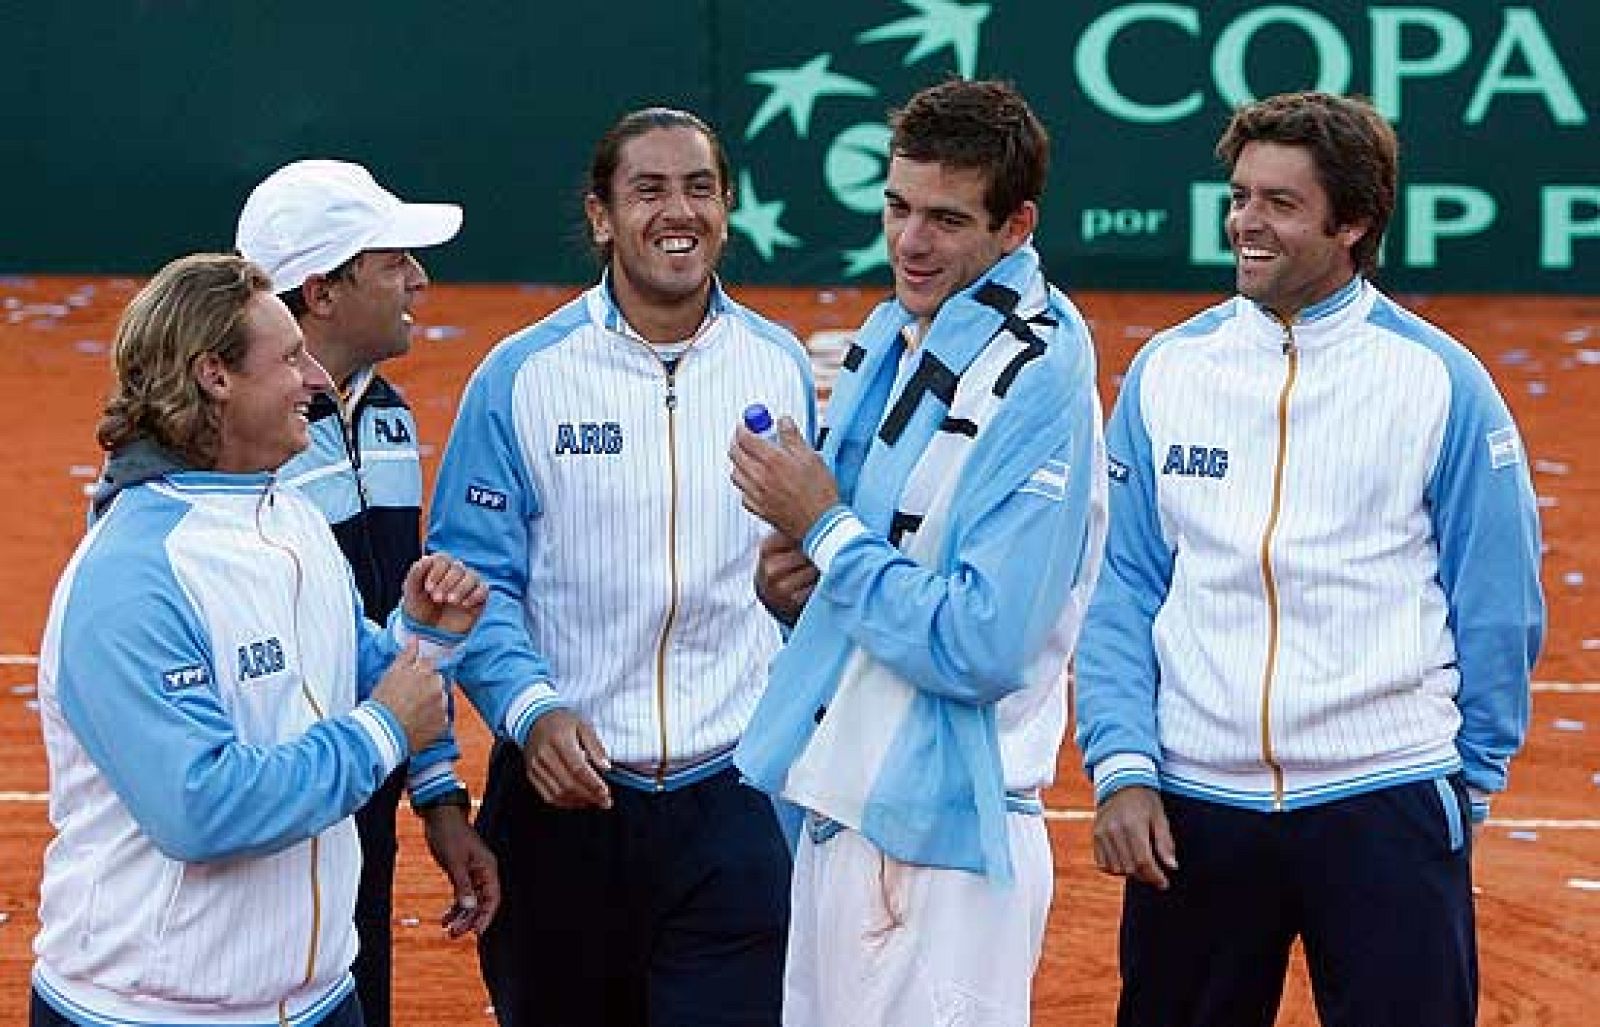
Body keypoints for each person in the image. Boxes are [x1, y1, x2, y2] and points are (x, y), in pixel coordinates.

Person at [1075, 91, 1545, 1027]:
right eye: (1241, 195)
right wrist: (1123, 762)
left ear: (1355, 221)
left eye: (1280, 203)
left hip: (1386, 801)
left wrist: (1467, 785)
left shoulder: (1441, 381)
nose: (1246, 222)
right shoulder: (1170, 371)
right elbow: (1124, 585)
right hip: (1193, 809)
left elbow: (1498, 601)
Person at [728, 78, 1107, 1026]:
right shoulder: (896, 330)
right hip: (843, 807)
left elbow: (984, 641)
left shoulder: (1042, 374)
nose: (910, 241)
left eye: (945, 217)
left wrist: (823, 529)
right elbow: (863, 571)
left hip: (943, 849)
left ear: (1016, 225)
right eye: (898, 207)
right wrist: (798, 586)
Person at [427, 107, 815, 1025]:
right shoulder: (520, 376)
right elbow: (469, 584)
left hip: (738, 801)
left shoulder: (781, 365)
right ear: (601, 215)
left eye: (700, 188)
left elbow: (806, 571)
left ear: (725, 210)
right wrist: (534, 710)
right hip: (564, 805)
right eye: (648, 190)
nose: (677, 211)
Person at [31, 253, 489, 1026]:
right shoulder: (132, 578)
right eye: (289, 358)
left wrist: (423, 640)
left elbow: (365, 675)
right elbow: (201, 808)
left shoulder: (294, 520)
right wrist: (383, 728)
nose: (316, 378)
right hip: (147, 1013)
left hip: (318, 997)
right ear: (214, 376)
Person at [236, 159, 499, 1027]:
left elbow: (401, 626)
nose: (419, 278)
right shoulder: (238, 445)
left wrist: (435, 788)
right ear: (321, 291)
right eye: (393, 261)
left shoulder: (385, 414)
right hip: (277, 813)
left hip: (366, 791)